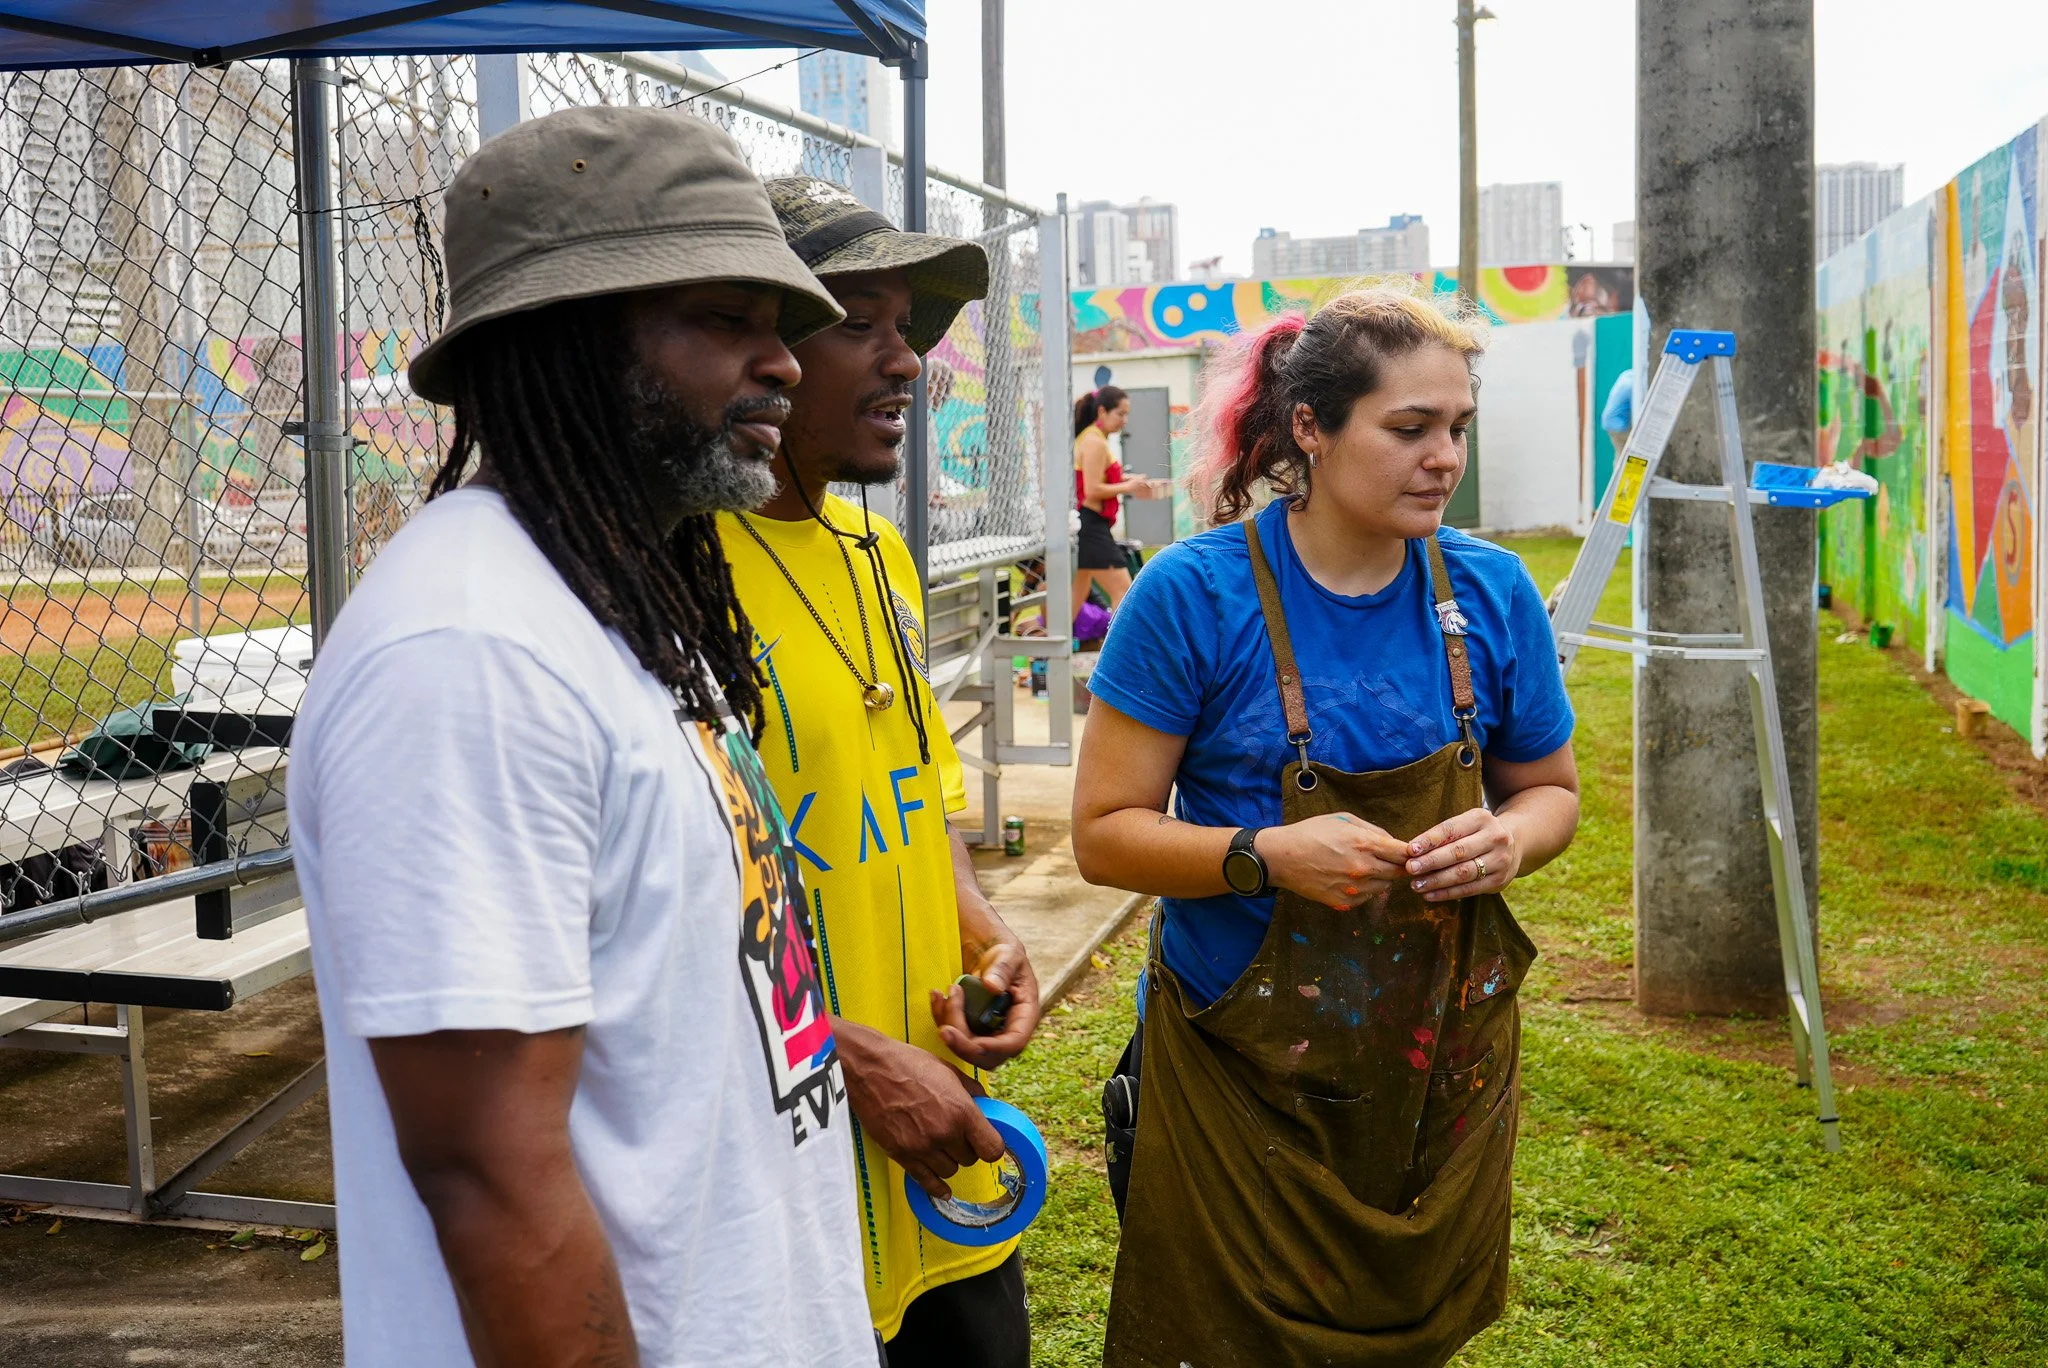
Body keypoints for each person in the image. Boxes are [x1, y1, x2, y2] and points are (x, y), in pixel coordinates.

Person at [289, 108, 877, 1367]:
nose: (783, 364)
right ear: (566, 340)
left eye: (780, 324)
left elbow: (669, 1003)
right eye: (726, 318)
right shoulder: (468, 654)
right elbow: (489, 1178)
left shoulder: (622, 592)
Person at [1072, 282, 1581, 1367]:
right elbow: (1105, 834)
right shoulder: (1192, 597)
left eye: (1458, 428)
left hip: (1433, 1067)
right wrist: (1263, 856)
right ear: (1310, 426)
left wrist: (1509, 839)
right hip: (1238, 1076)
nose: (1443, 458)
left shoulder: (1492, 595)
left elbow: (1550, 791)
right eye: (1409, 428)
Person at [717, 176, 1041, 1368]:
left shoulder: (877, 550)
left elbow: (919, 790)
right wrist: (841, 1056)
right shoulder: (672, 576)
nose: (908, 362)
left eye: (909, 327)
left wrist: (979, 929)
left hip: (939, 1156)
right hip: (794, 1154)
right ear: (760, 350)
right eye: (860, 324)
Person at [1072, 385, 1166, 611]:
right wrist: (1128, 486)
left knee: (1076, 594)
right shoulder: (1094, 442)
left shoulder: (1095, 438)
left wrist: (1132, 481)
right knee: (1123, 592)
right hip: (1091, 525)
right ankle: (1122, 638)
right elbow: (1093, 490)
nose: (1125, 420)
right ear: (1102, 411)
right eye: (1120, 414)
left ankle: (1046, 630)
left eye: (1127, 414)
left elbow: (1099, 477)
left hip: (1091, 524)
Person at [1600, 364, 1634, 455]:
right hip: (1618, 425)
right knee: (1630, 451)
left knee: (1620, 452)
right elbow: (1637, 408)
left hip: (1609, 421)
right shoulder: (1631, 385)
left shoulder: (1625, 376)